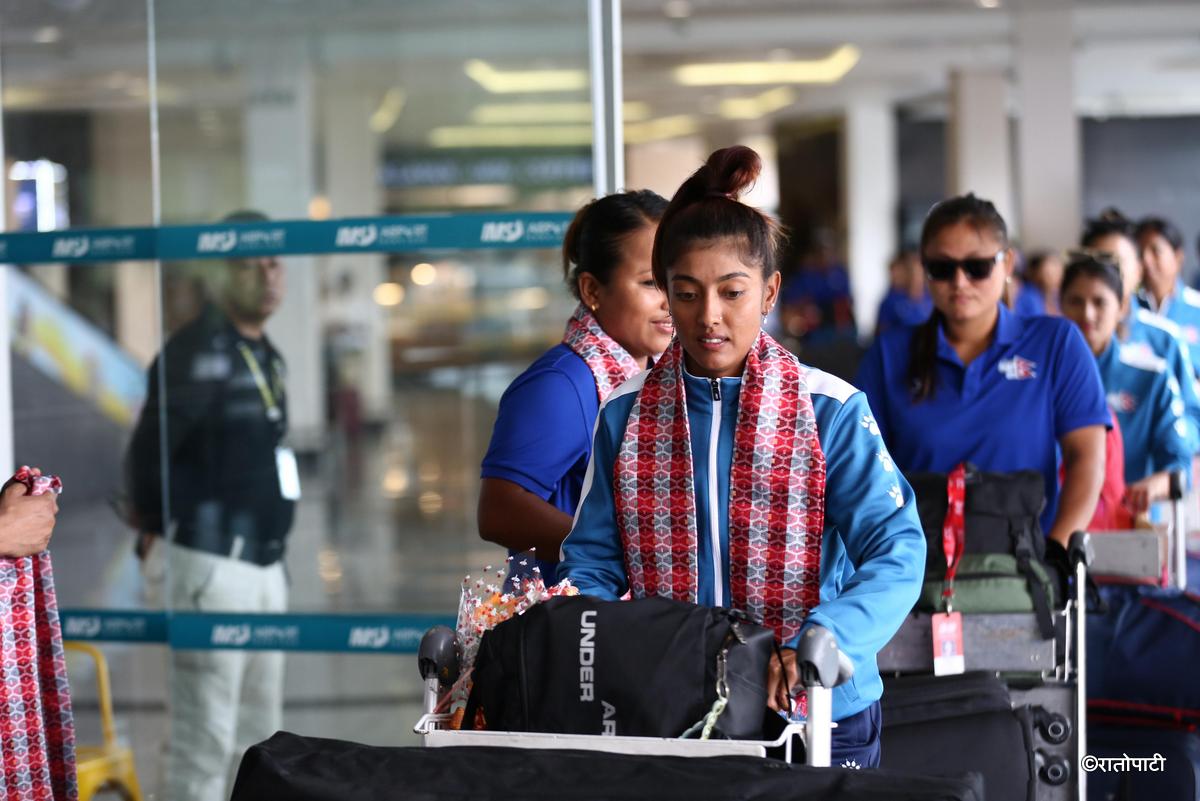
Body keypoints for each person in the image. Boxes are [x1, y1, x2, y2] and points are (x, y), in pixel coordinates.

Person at [560, 146, 926, 769]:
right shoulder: (624, 414)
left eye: (732, 292)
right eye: (685, 292)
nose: (709, 317)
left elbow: (896, 550)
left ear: (770, 291)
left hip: (813, 710)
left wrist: (828, 637)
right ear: (666, 296)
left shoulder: (828, 410)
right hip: (673, 709)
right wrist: (605, 654)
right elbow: (593, 562)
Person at [125, 210, 295, 801]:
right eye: (251, 264)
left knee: (262, 741)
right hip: (209, 565)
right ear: (224, 274)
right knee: (204, 741)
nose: (268, 276)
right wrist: (155, 528)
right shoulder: (196, 352)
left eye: (275, 262)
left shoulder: (267, 355)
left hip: (265, 567)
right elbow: (148, 455)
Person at [855, 194, 1108, 548]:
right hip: (915, 572)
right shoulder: (890, 354)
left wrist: (1057, 551)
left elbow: (1088, 458)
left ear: (1007, 265)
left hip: (1025, 568)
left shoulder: (1055, 343)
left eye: (977, 267)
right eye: (942, 269)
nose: (960, 282)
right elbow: (861, 472)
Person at [479, 190, 672, 583]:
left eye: (677, 278)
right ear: (592, 291)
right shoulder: (560, 385)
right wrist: (618, 553)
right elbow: (498, 512)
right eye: (652, 282)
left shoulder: (656, 375)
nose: (671, 300)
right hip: (577, 627)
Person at [1059, 252, 1191, 522]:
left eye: (1099, 302)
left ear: (1121, 307)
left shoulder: (1151, 377)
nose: (1087, 313)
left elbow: (1178, 466)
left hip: (1125, 525)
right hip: (1052, 523)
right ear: (1060, 305)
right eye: (1076, 301)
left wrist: (1155, 485)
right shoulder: (1042, 377)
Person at [1082, 212, 1200, 447]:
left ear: (1137, 270)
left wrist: (1171, 458)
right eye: (1099, 263)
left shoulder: (1163, 339)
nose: (1107, 275)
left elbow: (1192, 420)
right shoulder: (1065, 340)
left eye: (1117, 263)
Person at [1137, 216, 1200, 364]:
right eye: (1140, 253)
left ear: (1178, 257)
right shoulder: (1129, 310)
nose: (1146, 260)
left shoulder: (1197, 306)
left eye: (1155, 251)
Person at [875, 250, 932, 335]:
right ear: (905, 274)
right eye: (912, 271)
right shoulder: (891, 301)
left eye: (919, 272)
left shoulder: (933, 300)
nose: (916, 277)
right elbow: (881, 334)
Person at [1015, 250, 1063, 317]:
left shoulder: (1056, 297)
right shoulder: (1026, 296)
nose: (1056, 276)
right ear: (1033, 272)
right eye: (1048, 273)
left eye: (1058, 271)